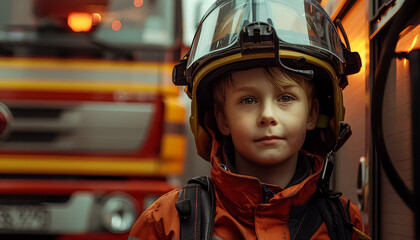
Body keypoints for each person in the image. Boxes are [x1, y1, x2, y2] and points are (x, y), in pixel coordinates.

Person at [129, 0, 367, 239]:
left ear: (313, 114)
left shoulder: (345, 224)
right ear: (222, 119)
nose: (267, 116)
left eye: (285, 98)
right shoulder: (167, 223)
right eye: (248, 101)